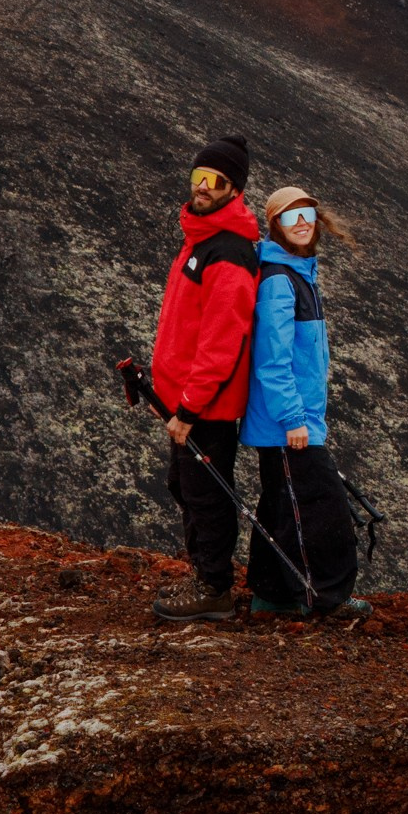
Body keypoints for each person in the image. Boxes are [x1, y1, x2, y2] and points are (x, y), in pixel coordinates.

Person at [241, 186, 370, 618]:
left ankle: (271, 597)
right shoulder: (280, 281)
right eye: (290, 215)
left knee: (281, 503)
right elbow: (272, 360)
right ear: (275, 225)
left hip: (291, 419)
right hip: (289, 423)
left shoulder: (299, 275)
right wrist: (294, 419)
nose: (301, 222)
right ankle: (326, 598)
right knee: (320, 506)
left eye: (307, 214)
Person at [148, 134, 261, 623]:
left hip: (206, 408)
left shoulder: (229, 252)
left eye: (214, 181)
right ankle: (205, 574)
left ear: (234, 189)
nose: (202, 188)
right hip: (188, 405)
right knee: (185, 484)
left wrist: (190, 407)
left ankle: (214, 589)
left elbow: (222, 340)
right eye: (197, 178)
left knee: (206, 492)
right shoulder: (200, 240)